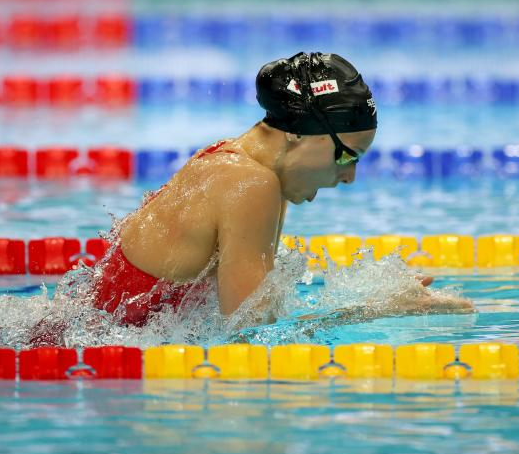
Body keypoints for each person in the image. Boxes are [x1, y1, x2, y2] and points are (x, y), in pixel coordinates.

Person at [87, 51, 473, 328]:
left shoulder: (241, 164)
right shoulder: (250, 184)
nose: (349, 176)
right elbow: (253, 335)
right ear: (299, 136)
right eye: (345, 156)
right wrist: (381, 309)